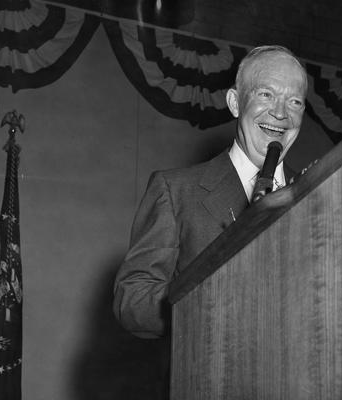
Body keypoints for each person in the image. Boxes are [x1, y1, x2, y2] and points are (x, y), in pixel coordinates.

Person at [113, 45, 308, 397]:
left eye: (294, 102)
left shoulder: (315, 195)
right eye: (266, 94)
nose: (280, 113)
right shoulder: (175, 190)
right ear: (235, 102)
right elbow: (133, 300)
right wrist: (207, 303)